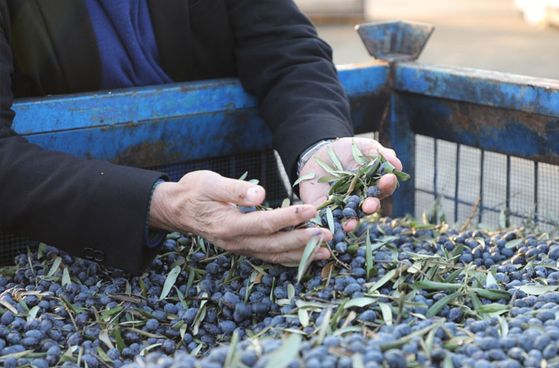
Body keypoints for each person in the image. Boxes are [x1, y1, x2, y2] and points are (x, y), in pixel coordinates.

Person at [0, 0, 402, 274]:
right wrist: (161, 204)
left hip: (253, 243)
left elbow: (288, 53)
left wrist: (321, 148)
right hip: (55, 255)